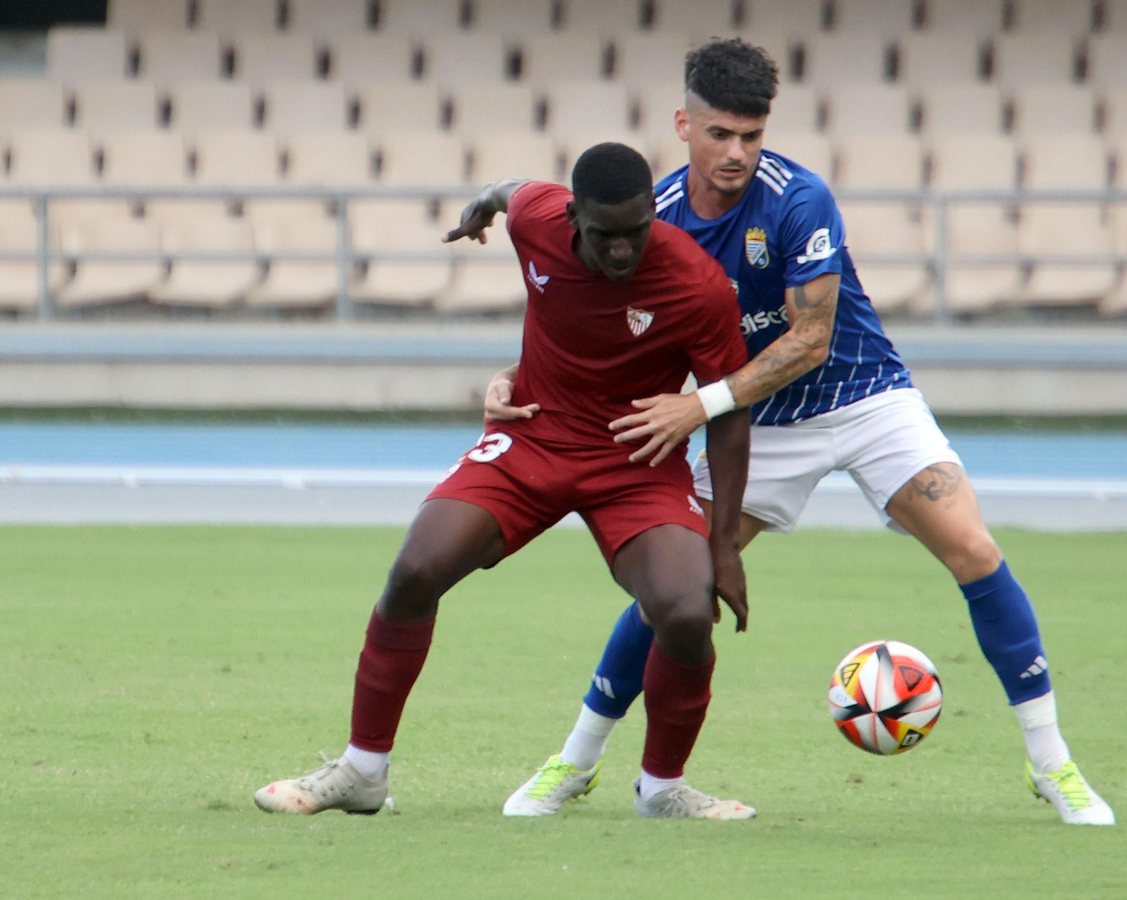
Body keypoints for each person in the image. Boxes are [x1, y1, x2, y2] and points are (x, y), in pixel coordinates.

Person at [493, 40, 1114, 825]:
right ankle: (575, 762)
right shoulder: (655, 218)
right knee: (673, 593)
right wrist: (520, 384)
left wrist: (702, 403)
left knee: (975, 550)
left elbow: (810, 340)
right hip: (755, 425)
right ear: (684, 124)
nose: (738, 153)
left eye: (752, 136)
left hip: (864, 396)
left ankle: (1053, 766)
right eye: (720, 134)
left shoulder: (798, 198)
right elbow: (606, 333)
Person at [254, 143, 759, 821]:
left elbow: (731, 412)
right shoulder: (537, 219)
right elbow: (513, 189)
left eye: (636, 233)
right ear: (574, 217)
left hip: (634, 461)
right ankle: (363, 771)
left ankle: (662, 788)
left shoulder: (697, 284)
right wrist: (482, 203)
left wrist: (723, 545)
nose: (621, 252)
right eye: (606, 236)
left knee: (689, 611)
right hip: (532, 438)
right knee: (414, 571)